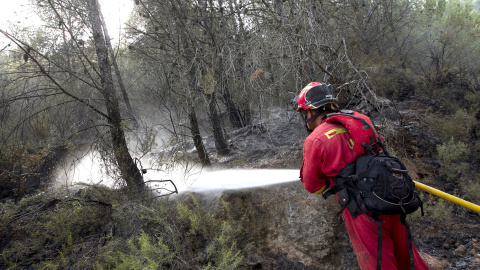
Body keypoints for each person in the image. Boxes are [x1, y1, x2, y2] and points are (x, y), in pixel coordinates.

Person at [294, 82, 429, 270]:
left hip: (362, 210)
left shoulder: (316, 140)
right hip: (391, 199)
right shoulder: (359, 120)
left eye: (303, 114)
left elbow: (313, 186)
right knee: (407, 256)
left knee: (378, 263)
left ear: (310, 112)